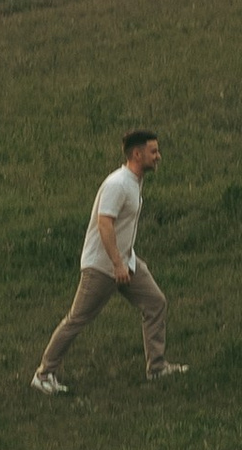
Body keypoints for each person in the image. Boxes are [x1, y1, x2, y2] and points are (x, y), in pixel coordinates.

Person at [34, 131, 185, 394]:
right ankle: (44, 374)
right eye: (153, 152)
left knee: (155, 302)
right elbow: (105, 223)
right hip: (103, 267)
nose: (158, 156)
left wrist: (125, 261)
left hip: (127, 262)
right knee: (77, 319)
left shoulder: (134, 182)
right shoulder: (118, 184)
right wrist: (117, 264)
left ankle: (157, 368)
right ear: (137, 154)